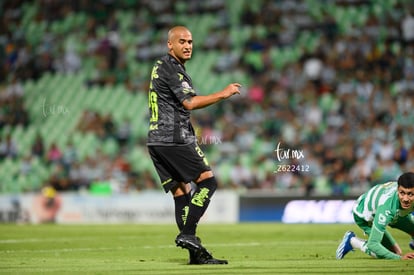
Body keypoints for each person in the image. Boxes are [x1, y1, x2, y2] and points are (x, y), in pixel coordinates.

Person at [146, 26, 241, 265]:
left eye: (190, 41)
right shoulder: (172, 68)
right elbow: (188, 103)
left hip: (156, 139)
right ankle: (188, 234)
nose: (188, 45)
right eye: (182, 41)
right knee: (208, 181)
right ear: (170, 45)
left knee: (182, 194)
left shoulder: (160, 67)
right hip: (174, 137)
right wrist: (224, 93)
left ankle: (194, 254)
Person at [336, 172, 414, 260]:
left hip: (396, 212)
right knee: (393, 253)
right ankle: (352, 241)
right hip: (364, 215)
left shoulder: (399, 202)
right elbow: (373, 244)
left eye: (410, 194)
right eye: (402, 193)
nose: (405, 199)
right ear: (397, 190)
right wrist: (400, 258)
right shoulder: (386, 208)